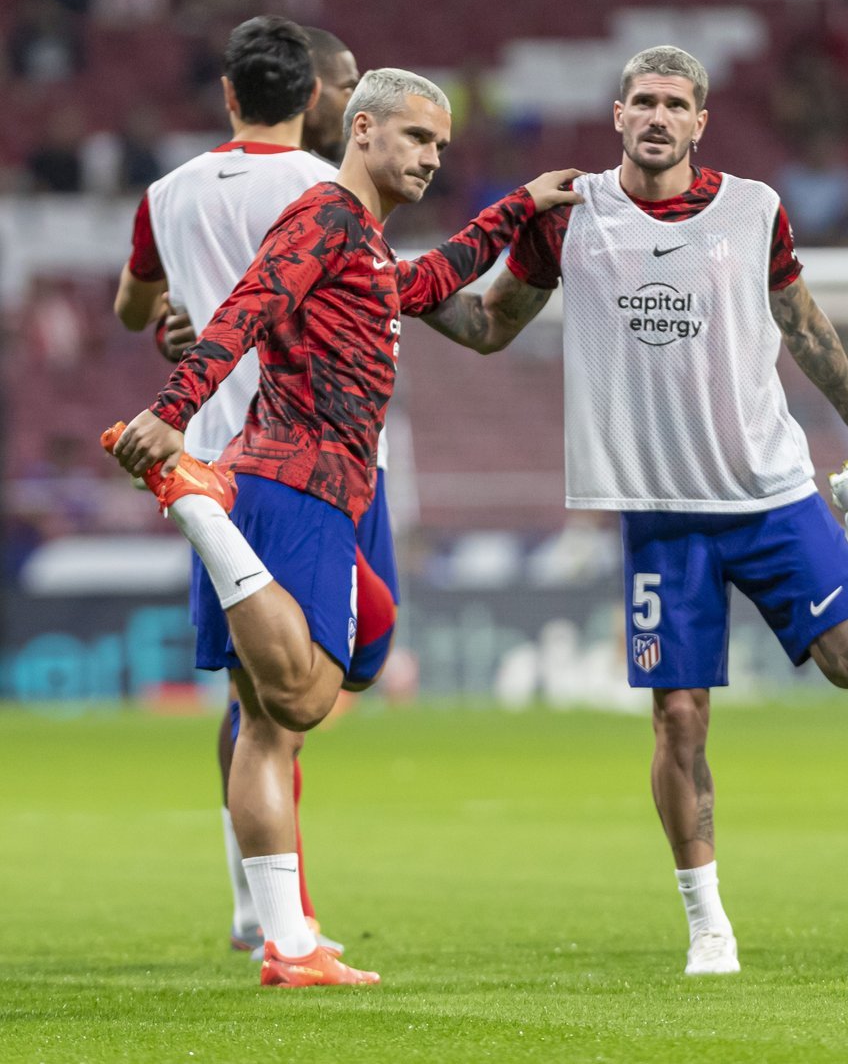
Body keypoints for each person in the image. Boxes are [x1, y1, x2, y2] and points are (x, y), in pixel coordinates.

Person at [421, 45, 848, 976]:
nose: (655, 115)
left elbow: (804, 324)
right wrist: (397, 289)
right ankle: (707, 925)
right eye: (640, 100)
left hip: (768, 493)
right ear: (615, 114)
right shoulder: (566, 219)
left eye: (674, 103)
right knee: (678, 718)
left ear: (698, 123)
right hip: (656, 510)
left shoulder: (753, 208)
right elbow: (486, 325)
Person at [104, 65, 581, 988]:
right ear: (359, 130)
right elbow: (248, 304)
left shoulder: (360, 241)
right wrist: (173, 408)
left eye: (440, 145)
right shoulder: (325, 215)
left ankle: (286, 945)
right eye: (414, 137)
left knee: (264, 726)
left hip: (264, 475)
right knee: (307, 699)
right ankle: (198, 510)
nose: (430, 157)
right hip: (299, 478)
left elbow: (430, 278)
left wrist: (517, 205)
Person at [113, 15, 377, 964]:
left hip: (213, 448)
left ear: (227, 94)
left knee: (253, 698)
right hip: (311, 455)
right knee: (290, 704)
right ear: (313, 99)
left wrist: (178, 319)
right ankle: (284, 928)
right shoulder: (328, 188)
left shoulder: (167, 191)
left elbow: (133, 306)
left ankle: (249, 905)